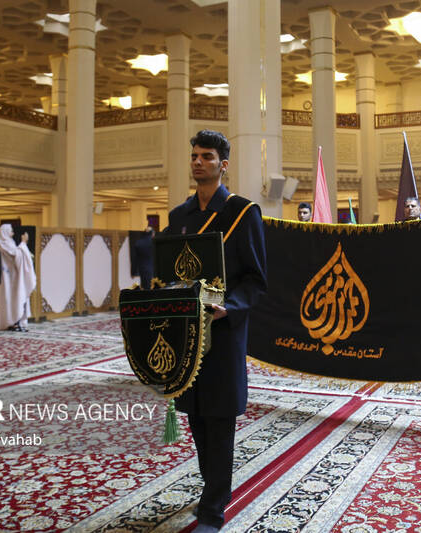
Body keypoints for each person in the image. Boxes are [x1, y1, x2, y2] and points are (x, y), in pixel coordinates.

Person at [164, 130, 267, 532]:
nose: (198, 162)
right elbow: (170, 271)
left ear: (223, 165)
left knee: (220, 418)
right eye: (194, 155)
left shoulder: (243, 212)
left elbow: (255, 279)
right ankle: (212, 489)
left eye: (207, 156)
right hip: (188, 333)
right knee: (196, 415)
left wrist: (231, 308)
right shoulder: (179, 217)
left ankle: (213, 507)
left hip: (223, 331)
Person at [0, 224, 36, 332]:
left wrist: (23, 246)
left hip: (15, 275)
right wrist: (23, 243)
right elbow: (16, 255)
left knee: (16, 297)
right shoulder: (5, 243)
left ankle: (17, 322)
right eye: (10, 230)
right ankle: (14, 323)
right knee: (13, 297)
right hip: (11, 277)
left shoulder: (9, 242)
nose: (12, 232)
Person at [131, 222, 155, 289]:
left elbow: (135, 259)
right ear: (152, 233)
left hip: (142, 270)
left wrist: (133, 272)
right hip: (154, 270)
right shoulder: (154, 242)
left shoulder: (138, 243)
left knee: (145, 288)